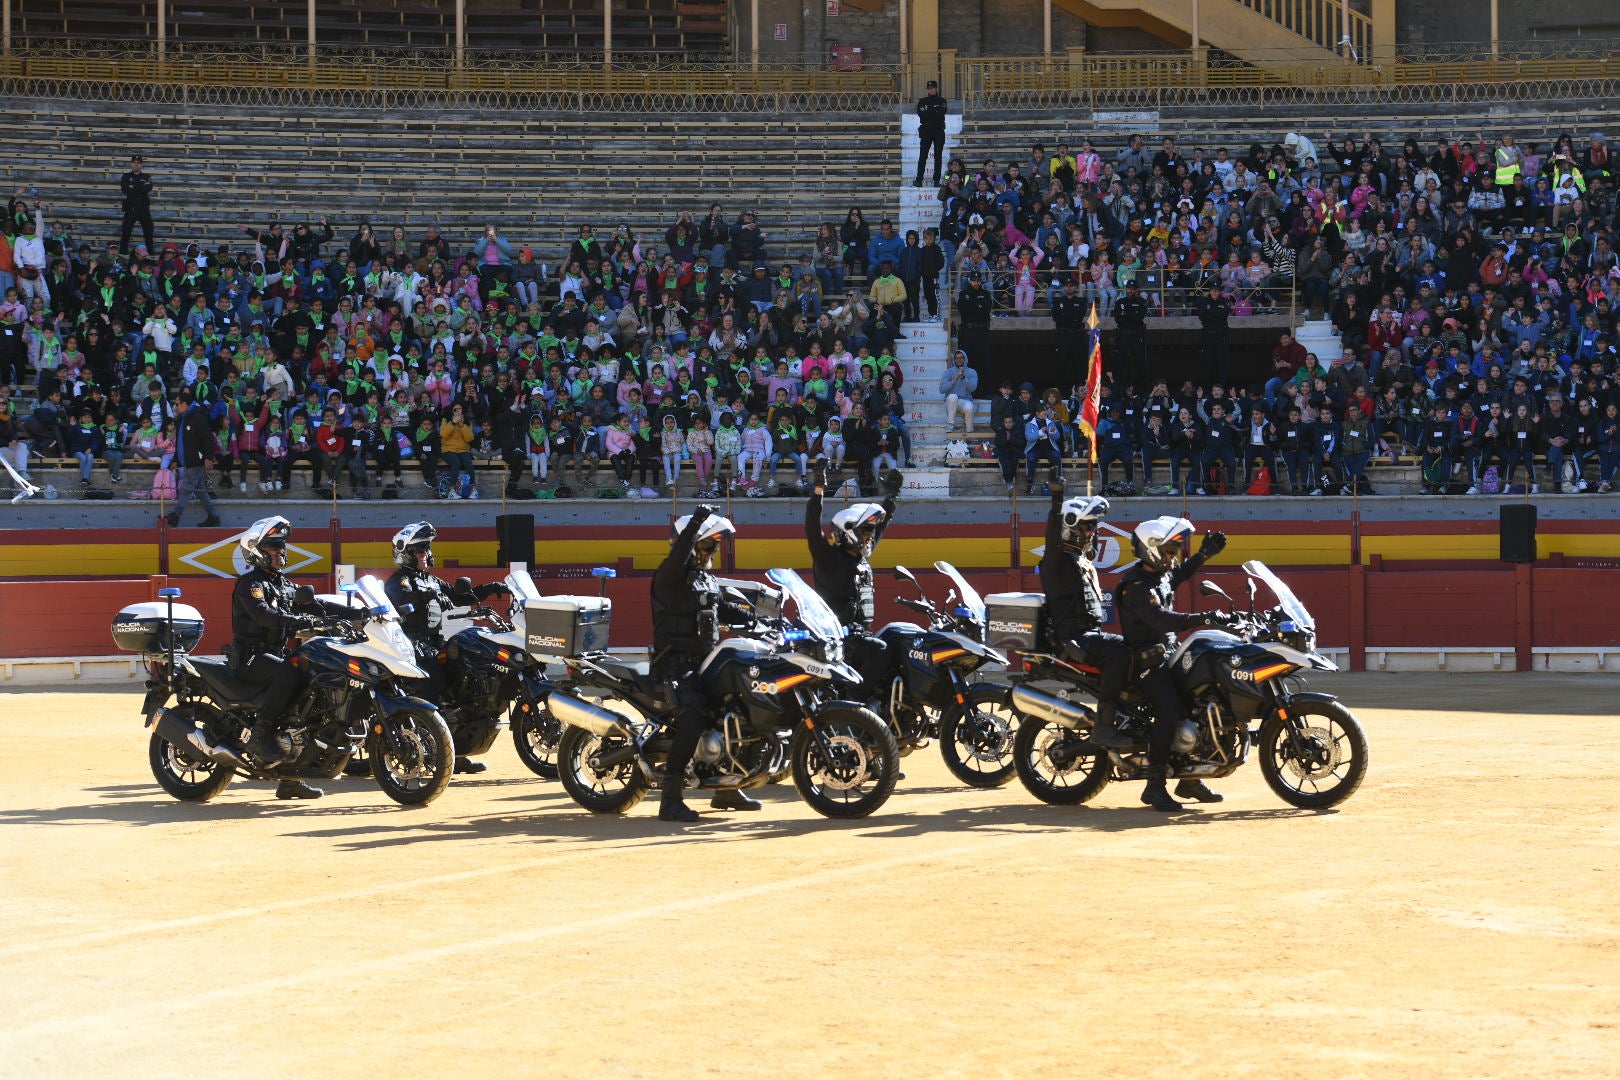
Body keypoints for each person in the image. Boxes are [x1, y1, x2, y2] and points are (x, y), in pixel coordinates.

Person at [229, 516, 360, 800]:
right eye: (274, 547)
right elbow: (264, 615)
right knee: (288, 674)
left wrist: (361, 614)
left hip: (276, 654)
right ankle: (260, 734)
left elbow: (318, 605)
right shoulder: (250, 584)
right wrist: (299, 620)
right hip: (252, 657)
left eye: (282, 546)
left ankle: (291, 777)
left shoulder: (284, 584)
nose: (281, 552)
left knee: (314, 689)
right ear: (257, 551)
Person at [1115, 516, 1233, 812]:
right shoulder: (1136, 586)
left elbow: (1179, 574)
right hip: (1145, 663)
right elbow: (1160, 619)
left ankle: (1189, 778)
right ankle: (1154, 786)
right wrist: (1203, 619)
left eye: (1173, 552)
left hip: (1168, 654)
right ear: (1151, 549)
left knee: (1201, 699)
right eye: (1168, 551)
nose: (1172, 557)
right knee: (1170, 709)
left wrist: (1205, 554)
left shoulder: (1159, 575)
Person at [651, 505, 757, 822]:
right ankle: (670, 800)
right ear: (691, 543)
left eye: (714, 546)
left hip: (705, 661)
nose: (712, 551)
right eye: (708, 544)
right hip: (675, 665)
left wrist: (758, 618)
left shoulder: (704, 580)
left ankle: (726, 787)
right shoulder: (669, 576)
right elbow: (678, 556)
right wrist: (696, 522)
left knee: (737, 710)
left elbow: (723, 609)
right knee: (696, 716)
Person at [384, 521, 513, 774]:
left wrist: (491, 588)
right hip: (410, 645)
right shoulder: (399, 581)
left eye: (426, 550)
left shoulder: (431, 580)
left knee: (464, 682)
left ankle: (456, 750)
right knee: (435, 682)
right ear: (406, 553)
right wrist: (427, 596)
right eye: (420, 550)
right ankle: (431, 751)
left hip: (434, 643)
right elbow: (401, 598)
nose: (426, 555)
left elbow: (459, 596)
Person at [1037, 473, 1133, 746]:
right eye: (1088, 527)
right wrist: (1057, 500)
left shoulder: (1080, 560)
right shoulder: (1057, 562)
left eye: (1094, 527)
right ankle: (1105, 725)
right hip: (1073, 638)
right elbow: (1051, 539)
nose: (1093, 532)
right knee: (1120, 652)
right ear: (1069, 528)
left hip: (1088, 635)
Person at [805, 462, 901, 689]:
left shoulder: (860, 557)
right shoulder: (829, 559)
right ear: (847, 533)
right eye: (865, 531)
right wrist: (819, 488)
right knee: (881, 651)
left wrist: (891, 498)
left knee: (900, 641)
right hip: (841, 642)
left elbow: (882, 524)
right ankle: (856, 704)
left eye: (870, 532)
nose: (869, 537)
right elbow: (811, 528)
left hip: (862, 636)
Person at [167, 388, 220, 528]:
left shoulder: (197, 417)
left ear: (185, 404)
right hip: (188, 460)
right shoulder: (182, 419)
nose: (176, 407)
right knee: (200, 490)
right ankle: (213, 515)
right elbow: (180, 442)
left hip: (197, 460)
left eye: (177, 404)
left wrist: (208, 457)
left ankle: (175, 515)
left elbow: (207, 438)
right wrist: (175, 459)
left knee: (186, 487)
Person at [118, 154, 156, 258]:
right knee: (126, 232)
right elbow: (125, 189)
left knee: (148, 232)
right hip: (131, 207)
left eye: (138, 163)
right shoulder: (125, 176)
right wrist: (140, 186)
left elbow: (148, 188)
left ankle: (150, 256)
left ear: (141, 165)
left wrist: (133, 186)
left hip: (144, 208)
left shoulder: (146, 177)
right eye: (134, 162)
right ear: (131, 164)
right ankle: (122, 255)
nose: (136, 165)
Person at [915, 79, 947, 188]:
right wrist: (934, 110)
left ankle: (936, 180)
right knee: (923, 156)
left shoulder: (942, 101)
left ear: (936, 88)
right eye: (929, 88)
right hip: (926, 131)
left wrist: (928, 111)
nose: (931, 90)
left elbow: (940, 113)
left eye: (933, 88)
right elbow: (921, 114)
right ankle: (919, 180)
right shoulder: (922, 101)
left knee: (938, 156)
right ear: (927, 90)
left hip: (938, 130)